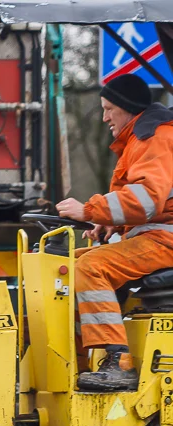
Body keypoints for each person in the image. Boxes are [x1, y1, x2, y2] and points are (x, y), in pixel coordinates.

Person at [57, 73, 173, 391]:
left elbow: (148, 199)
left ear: (126, 107)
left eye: (109, 108)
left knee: (91, 267)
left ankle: (117, 362)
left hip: (166, 239)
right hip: (156, 235)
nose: (105, 116)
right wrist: (112, 223)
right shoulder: (139, 138)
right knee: (61, 270)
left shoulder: (153, 137)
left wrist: (89, 210)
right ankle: (72, 362)